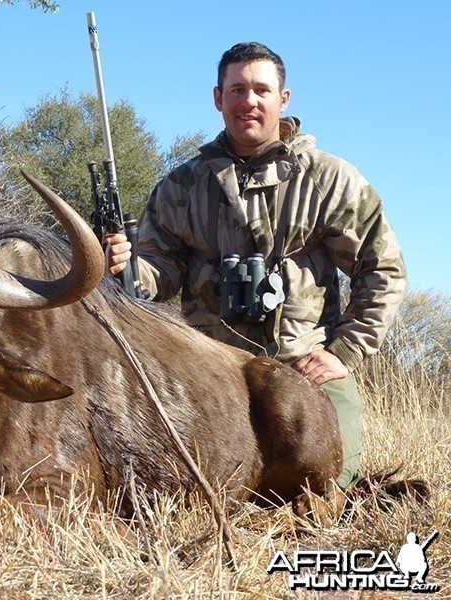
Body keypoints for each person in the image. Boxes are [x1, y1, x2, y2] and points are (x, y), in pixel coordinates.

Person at [105, 42, 406, 488]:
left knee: (331, 487)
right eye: (237, 89)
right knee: (182, 490)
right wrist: (124, 267)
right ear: (218, 97)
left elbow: (383, 271)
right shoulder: (180, 186)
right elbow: (158, 275)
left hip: (303, 367)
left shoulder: (330, 178)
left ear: (283, 100)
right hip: (208, 373)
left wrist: (342, 352)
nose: (249, 101)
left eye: (261, 90)